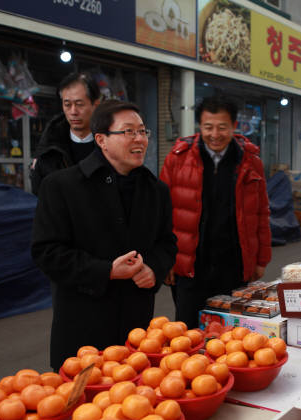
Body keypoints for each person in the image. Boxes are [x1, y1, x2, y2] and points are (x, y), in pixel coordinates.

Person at [31, 99, 177, 370]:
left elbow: (167, 243)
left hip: (137, 330)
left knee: (137, 404)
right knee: (83, 406)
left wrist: (154, 268)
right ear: (101, 139)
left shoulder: (156, 190)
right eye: (128, 132)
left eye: (143, 131)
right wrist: (106, 270)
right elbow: (47, 252)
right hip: (83, 330)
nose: (140, 139)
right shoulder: (61, 187)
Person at [160, 95, 271, 329]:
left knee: (229, 335)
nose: (215, 134)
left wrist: (260, 260)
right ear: (200, 126)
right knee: (187, 332)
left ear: (234, 126)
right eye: (208, 127)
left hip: (233, 265)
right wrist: (166, 260)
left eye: (222, 127)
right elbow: (162, 213)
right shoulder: (177, 159)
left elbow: (261, 212)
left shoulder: (251, 161)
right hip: (190, 267)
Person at [30, 72, 101, 195]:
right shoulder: (49, 149)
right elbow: (40, 195)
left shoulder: (111, 145)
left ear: (95, 105)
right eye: (67, 104)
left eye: (79, 104)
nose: (73, 111)